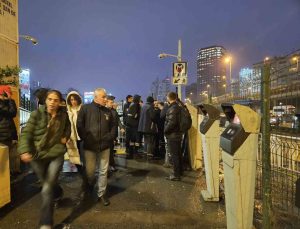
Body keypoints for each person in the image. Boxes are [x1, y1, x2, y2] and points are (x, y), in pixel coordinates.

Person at [18, 90, 71, 229]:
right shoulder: (36, 114)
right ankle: (58, 192)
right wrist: (24, 150)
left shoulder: (63, 115)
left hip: (56, 155)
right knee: (48, 183)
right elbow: (27, 133)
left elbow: (68, 127)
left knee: (46, 189)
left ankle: (45, 223)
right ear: (45, 100)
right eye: (50, 99)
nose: (52, 102)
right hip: (37, 156)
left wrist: (65, 137)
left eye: (55, 100)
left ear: (60, 102)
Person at [77, 88, 116, 206]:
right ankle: (89, 186)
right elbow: (79, 124)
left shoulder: (108, 112)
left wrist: (110, 137)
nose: (106, 99)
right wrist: (86, 137)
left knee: (103, 171)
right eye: (103, 97)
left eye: (106, 97)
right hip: (90, 146)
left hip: (105, 146)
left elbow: (113, 126)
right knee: (90, 172)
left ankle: (101, 194)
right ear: (96, 97)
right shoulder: (85, 108)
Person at [164, 92, 183, 181]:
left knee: (174, 155)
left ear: (169, 98)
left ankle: (176, 175)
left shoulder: (173, 108)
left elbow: (172, 122)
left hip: (173, 135)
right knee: (178, 154)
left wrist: (165, 130)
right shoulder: (178, 107)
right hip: (177, 134)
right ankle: (179, 172)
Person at [0, 85, 18, 173]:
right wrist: (9, 100)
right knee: (3, 160)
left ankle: (10, 176)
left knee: (10, 158)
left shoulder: (9, 102)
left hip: (9, 135)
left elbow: (13, 113)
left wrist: (10, 100)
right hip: (2, 136)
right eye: (7, 94)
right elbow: (11, 113)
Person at [66, 91, 84, 175]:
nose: (73, 101)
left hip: (82, 137)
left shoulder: (83, 109)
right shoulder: (67, 112)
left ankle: (86, 175)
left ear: (78, 100)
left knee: (84, 157)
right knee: (75, 158)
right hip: (72, 138)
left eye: (75, 99)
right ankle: (82, 174)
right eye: (71, 100)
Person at [106, 95, 125, 172]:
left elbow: (118, 121)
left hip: (112, 134)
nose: (112, 103)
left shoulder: (114, 111)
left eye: (113, 102)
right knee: (106, 152)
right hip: (105, 135)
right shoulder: (103, 111)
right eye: (111, 102)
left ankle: (111, 165)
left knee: (110, 151)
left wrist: (122, 127)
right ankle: (107, 166)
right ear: (106, 102)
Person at [126, 94, 141, 159]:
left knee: (132, 141)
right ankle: (136, 153)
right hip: (135, 126)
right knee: (136, 140)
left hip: (130, 126)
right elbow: (135, 115)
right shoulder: (136, 105)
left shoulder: (131, 105)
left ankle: (131, 153)